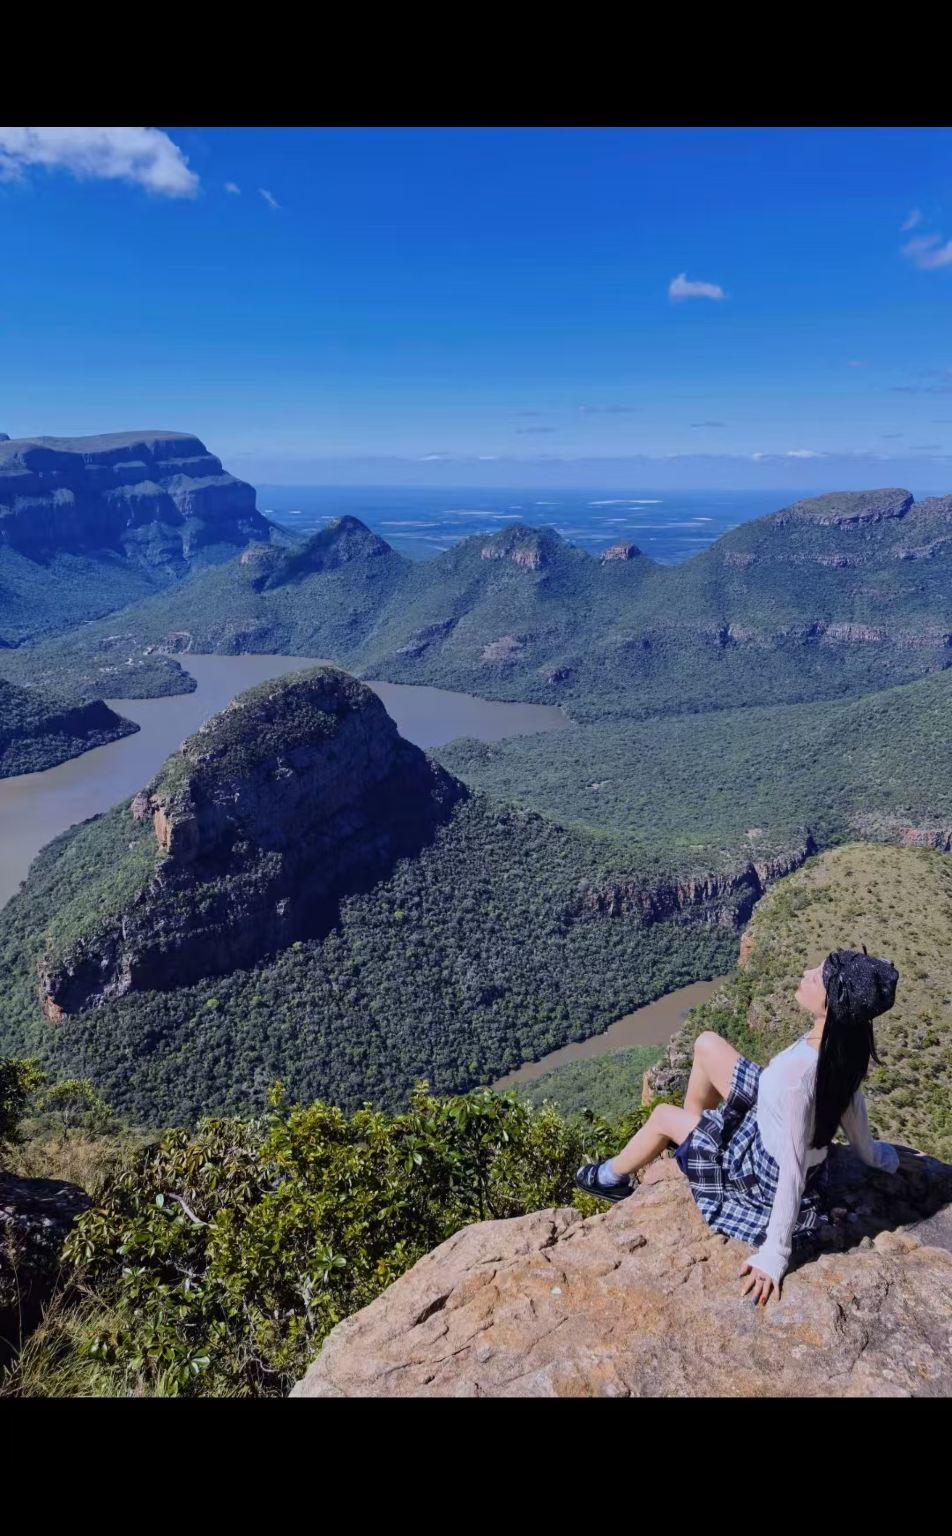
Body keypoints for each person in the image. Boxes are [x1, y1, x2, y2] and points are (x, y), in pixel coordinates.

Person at [576, 946, 901, 1306]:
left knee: (662, 1117)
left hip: (761, 1169)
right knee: (705, 1043)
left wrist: (775, 1254)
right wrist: (877, 1157)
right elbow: (852, 1110)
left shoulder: (795, 1078)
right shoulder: (845, 1048)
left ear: (833, 1004)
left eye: (818, 977)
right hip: (776, 1115)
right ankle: (697, 1138)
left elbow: (791, 1171)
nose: (807, 972)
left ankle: (608, 1178)